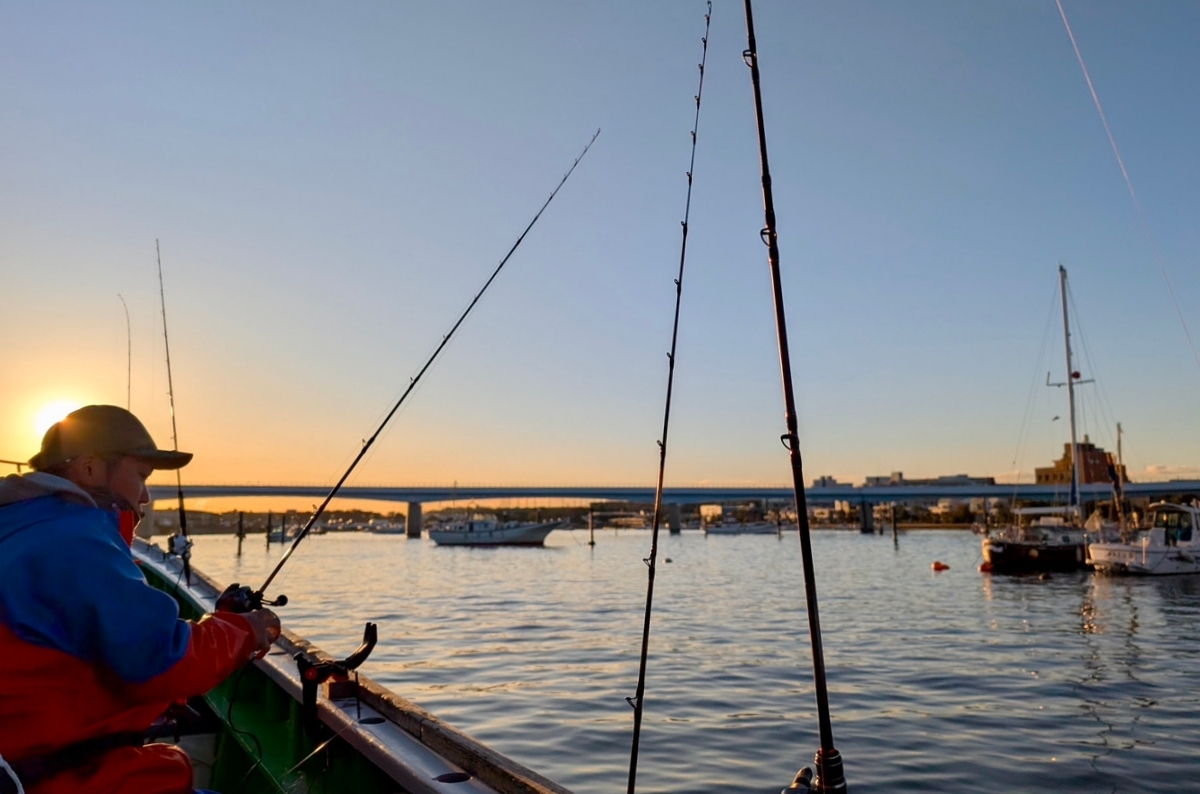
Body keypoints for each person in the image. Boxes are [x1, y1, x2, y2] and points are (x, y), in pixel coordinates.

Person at [0, 405, 281, 794]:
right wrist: (245, 630)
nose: (146, 495)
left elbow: (89, 656)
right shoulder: (74, 540)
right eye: (141, 476)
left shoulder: (22, 527)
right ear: (90, 469)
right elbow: (161, 660)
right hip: (65, 779)